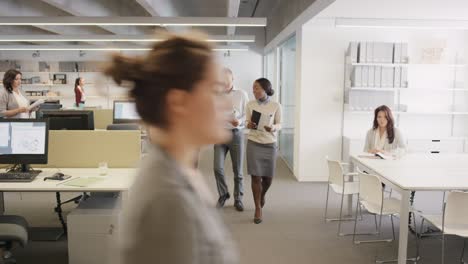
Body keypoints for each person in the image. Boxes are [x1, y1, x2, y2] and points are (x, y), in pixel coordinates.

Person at [105, 32, 238, 264]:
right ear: (178, 102)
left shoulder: (178, 170)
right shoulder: (168, 201)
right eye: (216, 91)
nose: (227, 104)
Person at [246, 78, 282, 224]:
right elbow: (247, 123)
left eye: (257, 88)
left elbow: (280, 124)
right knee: (255, 177)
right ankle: (258, 208)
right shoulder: (250, 104)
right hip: (254, 142)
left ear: (265, 89)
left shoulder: (275, 105)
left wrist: (273, 127)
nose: (254, 91)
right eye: (253, 88)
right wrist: (250, 124)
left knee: (268, 178)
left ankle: (262, 195)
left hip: (269, 144)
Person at [214, 68, 249, 211]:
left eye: (227, 82)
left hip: (236, 134)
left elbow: (248, 114)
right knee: (217, 168)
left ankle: (238, 198)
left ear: (233, 79)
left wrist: (239, 123)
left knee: (238, 170)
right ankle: (223, 194)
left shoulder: (241, 94)